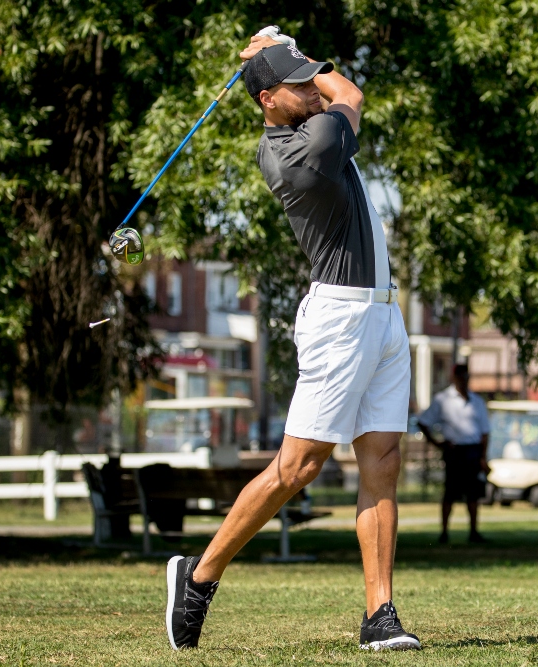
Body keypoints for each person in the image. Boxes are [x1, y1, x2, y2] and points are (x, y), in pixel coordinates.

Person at [164, 30, 420, 652]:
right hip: (339, 319)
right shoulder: (304, 147)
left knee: (382, 463)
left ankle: (379, 616)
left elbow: (323, 90)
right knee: (299, 466)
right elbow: (348, 92)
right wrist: (296, 53)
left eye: (310, 80)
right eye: (297, 83)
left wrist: (283, 51)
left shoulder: (304, 124)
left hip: (383, 315)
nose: (312, 88)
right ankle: (197, 579)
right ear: (268, 100)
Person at [417, 364, 491, 544]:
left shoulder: (477, 401)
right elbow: (423, 422)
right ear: (454, 378)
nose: (464, 380)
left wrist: (482, 457)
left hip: (472, 450)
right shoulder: (443, 399)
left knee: (473, 494)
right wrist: (436, 442)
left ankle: (474, 532)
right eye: (461, 377)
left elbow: (485, 432)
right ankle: (444, 532)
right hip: (454, 451)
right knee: (450, 493)